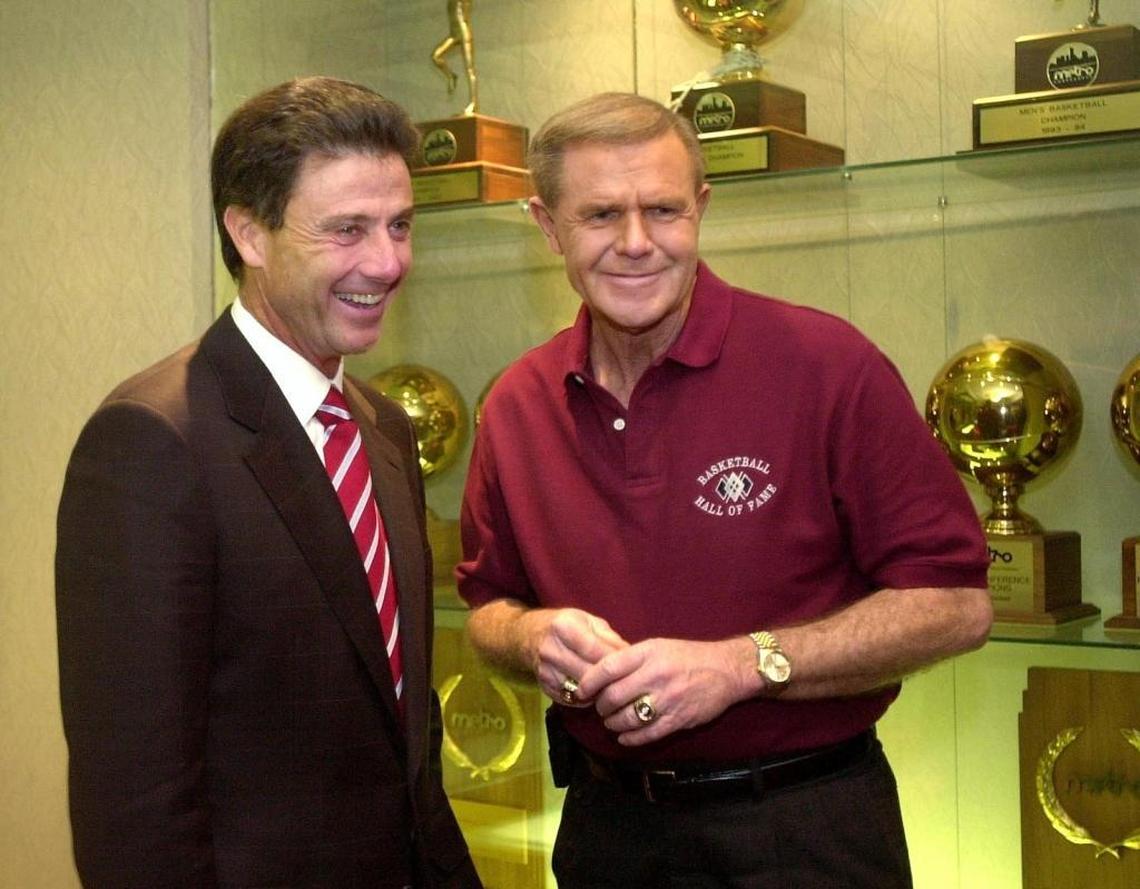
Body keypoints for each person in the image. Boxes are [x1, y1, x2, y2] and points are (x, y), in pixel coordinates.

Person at [456, 91, 993, 889]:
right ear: (547, 225)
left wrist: (746, 664)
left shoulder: (827, 365)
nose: (636, 243)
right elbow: (487, 609)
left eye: (663, 210)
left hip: (803, 828)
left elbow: (956, 603)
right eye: (600, 215)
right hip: (607, 830)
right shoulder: (515, 404)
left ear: (701, 208)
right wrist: (532, 637)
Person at [56, 76, 481, 889]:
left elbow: (405, 734)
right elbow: (134, 806)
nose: (387, 261)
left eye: (399, 225)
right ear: (249, 233)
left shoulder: (383, 428)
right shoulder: (153, 442)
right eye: (347, 229)